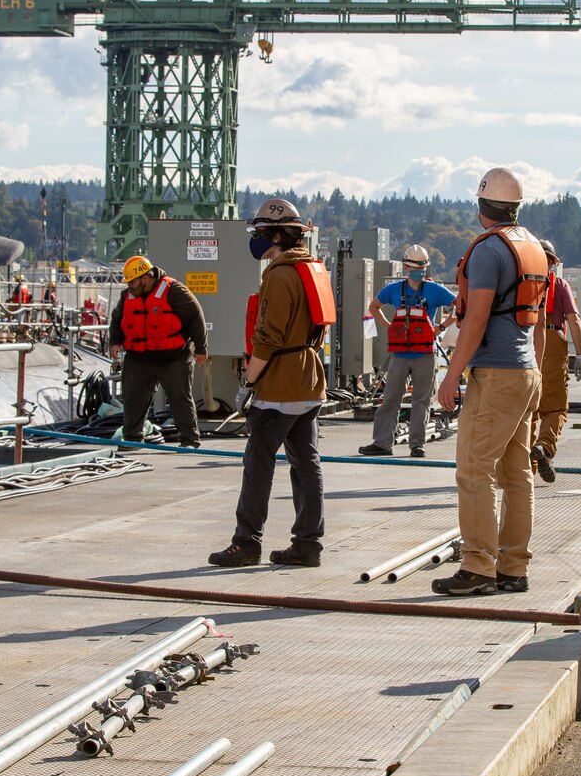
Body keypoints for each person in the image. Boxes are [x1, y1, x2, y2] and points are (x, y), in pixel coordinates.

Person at [432, 166, 547, 596]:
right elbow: (536, 323)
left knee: (475, 470)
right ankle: (513, 567)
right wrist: (536, 375)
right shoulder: (532, 247)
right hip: (525, 373)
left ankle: (478, 566)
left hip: (496, 375)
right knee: (517, 473)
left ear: (481, 206)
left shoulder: (488, 251)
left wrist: (451, 375)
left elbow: (476, 318)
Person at [209, 197, 333, 568]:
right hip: (309, 378)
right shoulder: (312, 268)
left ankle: (246, 543)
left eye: (262, 232)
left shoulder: (279, 275)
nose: (258, 239)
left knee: (258, 463)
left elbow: (267, 337)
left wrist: (248, 381)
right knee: (306, 463)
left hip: (279, 384)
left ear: (278, 234)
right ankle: (308, 544)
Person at [361, 244, 455, 459]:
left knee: (421, 400)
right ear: (406, 268)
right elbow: (374, 307)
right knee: (390, 398)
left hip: (424, 353)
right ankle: (382, 442)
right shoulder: (393, 290)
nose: (418, 271)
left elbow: (460, 305)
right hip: (400, 354)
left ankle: (417, 445)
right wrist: (389, 326)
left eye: (422, 267)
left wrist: (440, 327)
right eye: (415, 266)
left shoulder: (434, 290)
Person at [109, 255, 209, 448]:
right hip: (138, 358)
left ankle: (189, 440)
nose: (130, 286)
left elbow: (196, 317)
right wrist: (115, 342)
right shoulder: (127, 296)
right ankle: (132, 439)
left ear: (145, 278)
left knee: (180, 398)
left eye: (133, 282)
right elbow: (117, 319)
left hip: (174, 356)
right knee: (133, 399)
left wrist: (201, 348)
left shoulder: (174, 290)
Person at [530, 239, 581, 484]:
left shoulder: (522, 285)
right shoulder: (559, 285)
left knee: (528, 408)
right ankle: (544, 446)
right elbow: (574, 320)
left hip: (526, 342)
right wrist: (580, 356)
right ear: (554, 261)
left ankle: (525, 468)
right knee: (556, 408)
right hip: (553, 340)